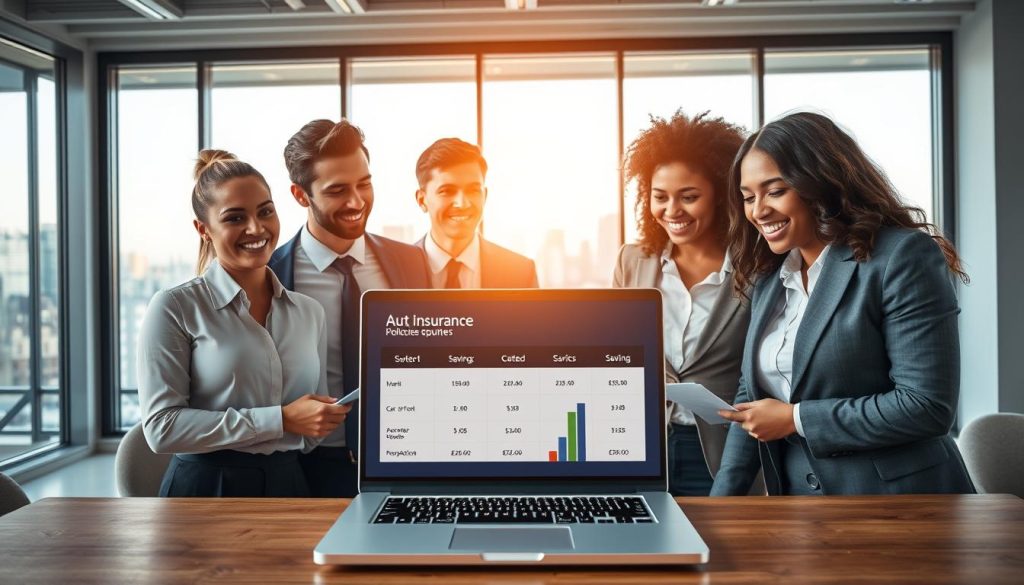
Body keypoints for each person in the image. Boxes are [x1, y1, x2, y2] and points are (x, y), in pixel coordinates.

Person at [711, 111, 975, 496]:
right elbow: (750, 400)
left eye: (775, 190)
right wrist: (718, 509)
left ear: (819, 184)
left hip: (903, 504)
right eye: (748, 197)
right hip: (803, 511)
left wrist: (796, 419)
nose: (758, 211)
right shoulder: (771, 276)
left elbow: (926, 406)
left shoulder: (900, 257)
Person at [138, 149, 349, 497]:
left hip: (290, 485)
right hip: (205, 489)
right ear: (203, 229)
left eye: (265, 211)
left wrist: (319, 419)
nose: (256, 228)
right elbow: (162, 428)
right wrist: (279, 420)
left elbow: (311, 435)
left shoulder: (309, 312)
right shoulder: (174, 307)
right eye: (235, 218)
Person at [269, 119, 430, 498]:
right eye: (338, 190)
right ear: (299, 194)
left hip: (404, 459)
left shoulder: (410, 262)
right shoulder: (272, 276)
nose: (357, 201)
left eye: (365, 184)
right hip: (310, 467)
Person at [613, 110, 756, 496]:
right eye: (660, 197)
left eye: (689, 197)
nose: (672, 211)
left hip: (723, 451)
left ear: (720, 196)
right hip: (642, 446)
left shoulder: (755, 267)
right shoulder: (633, 260)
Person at [413, 137, 539, 288]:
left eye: (473, 190)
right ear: (422, 200)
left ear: (484, 196)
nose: (462, 203)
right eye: (447, 191)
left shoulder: (520, 273)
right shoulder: (396, 272)